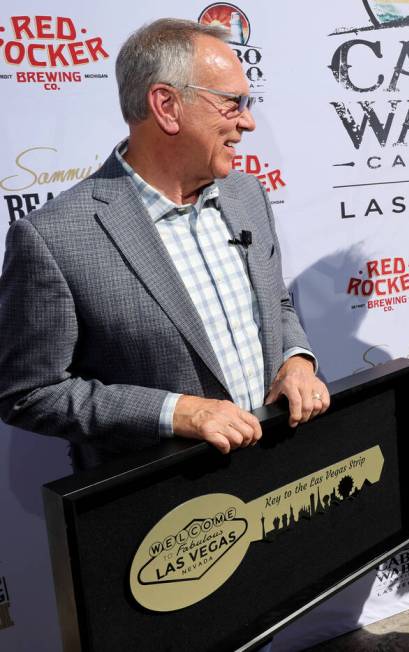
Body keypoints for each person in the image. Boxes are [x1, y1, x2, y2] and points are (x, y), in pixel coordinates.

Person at [0, 18, 329, 472]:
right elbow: (28, 392)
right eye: (233, 103)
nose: (248, 122)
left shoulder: (247, 195)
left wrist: (296, 360)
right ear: (167, 106)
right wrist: (175, 413)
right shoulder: (53, 238)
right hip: (163, 512)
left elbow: (276, 303)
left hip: (278, 475)